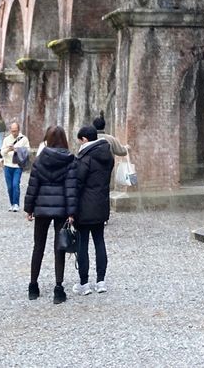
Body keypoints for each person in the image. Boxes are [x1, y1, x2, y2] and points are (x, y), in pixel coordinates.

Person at [24, 126, 81, 303]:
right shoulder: (70, 160)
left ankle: (33, 286)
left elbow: (33, 186)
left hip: (41, 208)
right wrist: (71, 213)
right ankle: (58, 289)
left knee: (38, 247)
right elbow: (71, 188)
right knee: (59, 248)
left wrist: (29, 208)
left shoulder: (40, 159)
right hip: (61, 209)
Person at [74, 124, 114, 294]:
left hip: (84, 207)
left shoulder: (85, 158)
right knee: (99, 242)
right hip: (101, 204)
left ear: (84, 139)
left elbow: (78, 183)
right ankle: (101, 281)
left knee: (82, 244)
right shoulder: (107, 155)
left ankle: (84, 283)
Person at [1, 122, 30, 212]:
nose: (14, 133)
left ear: (18, 130)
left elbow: (28, 151)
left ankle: (16, 204)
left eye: (15, 131)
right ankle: (12, 204)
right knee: (9, 186)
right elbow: (2, 153)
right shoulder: (6, 139)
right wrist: (8, 149)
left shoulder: (24, 139)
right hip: (7, 165)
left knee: (15, 184)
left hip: (17, 165)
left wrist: (16, 149)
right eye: (12, 131)